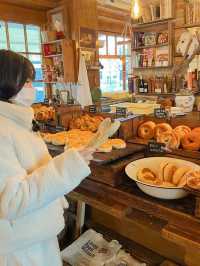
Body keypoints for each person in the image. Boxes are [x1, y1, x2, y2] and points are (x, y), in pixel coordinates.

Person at [0, 50, 94, 266]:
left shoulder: (14, 121)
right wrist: (68, 167)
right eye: (26, 81)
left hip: (35, 234)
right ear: (6, 83)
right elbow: (13, 200)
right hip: (21, 249)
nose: (32, 88)